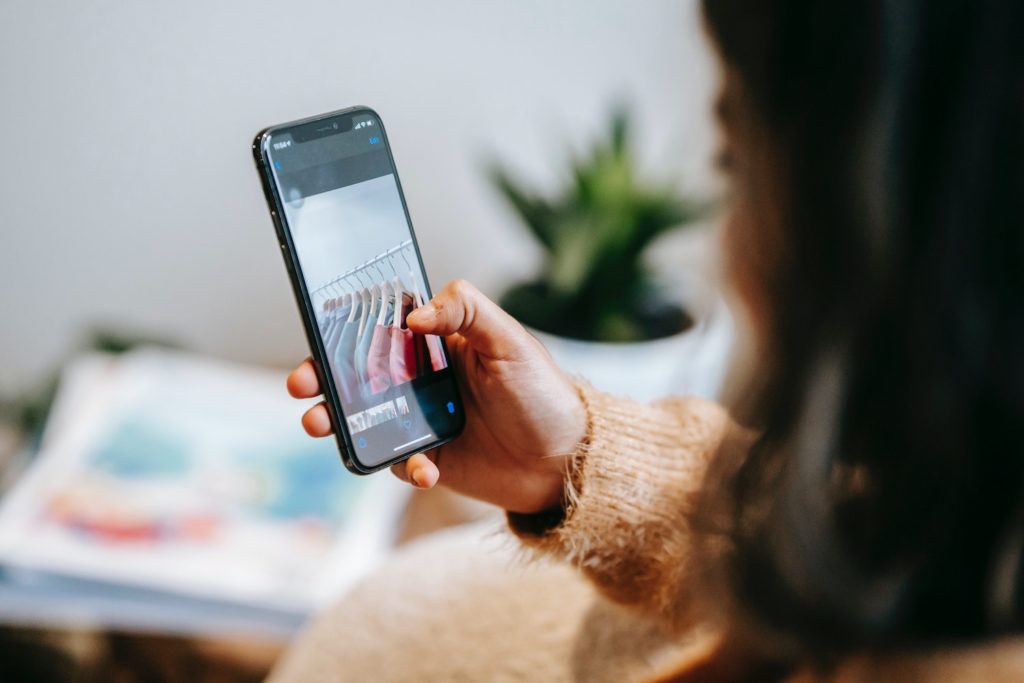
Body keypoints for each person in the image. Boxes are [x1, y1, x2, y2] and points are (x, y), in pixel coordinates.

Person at [270, 1, 1024, 680]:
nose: (731, 242)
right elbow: (841, 530)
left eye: (737, 161)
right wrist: (573, 460)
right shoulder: (954, 526)